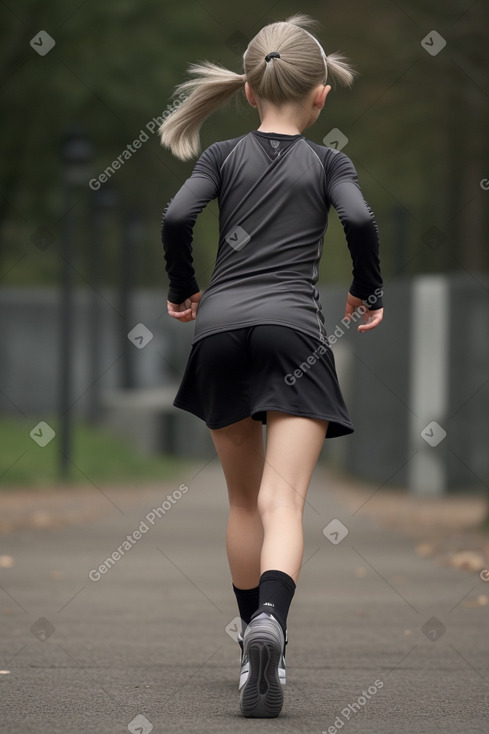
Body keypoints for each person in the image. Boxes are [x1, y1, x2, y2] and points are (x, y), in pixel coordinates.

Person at [158, 13, 383, 718]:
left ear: (251, 93)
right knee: (281, 502)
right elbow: (360, 219)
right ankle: (272, 629)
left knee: (239, 501)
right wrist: (366, 288)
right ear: (318, 98)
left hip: (219, 332)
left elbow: (174, 217)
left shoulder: (220, 156)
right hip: (294, 335)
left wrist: (181, 289)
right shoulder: (329, 163)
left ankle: (249, 641)